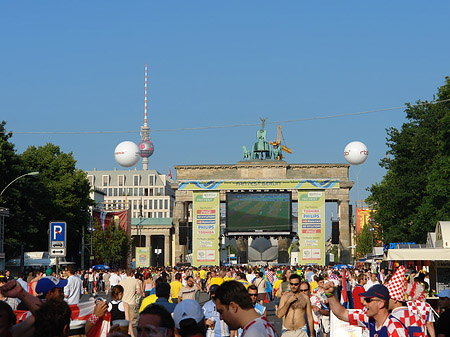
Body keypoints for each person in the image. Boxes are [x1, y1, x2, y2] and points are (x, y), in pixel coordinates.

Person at [323, 282, 408, 337]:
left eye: (368, 300)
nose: (364, 303)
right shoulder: (369, 319)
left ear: (381, 304)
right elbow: (342, 313)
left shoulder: (394, 328)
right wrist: (330, 295)